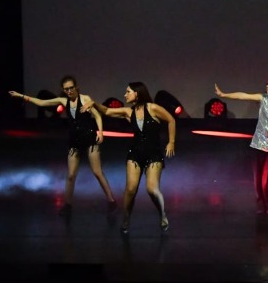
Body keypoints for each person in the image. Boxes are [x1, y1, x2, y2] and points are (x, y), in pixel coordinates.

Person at [9, 75, 117, 216]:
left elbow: (97, 116)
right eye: (66, 89)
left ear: (76, 87)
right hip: (74, 140)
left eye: (71, 88)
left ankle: (111, 200)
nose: (69, 91)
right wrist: (21, 96)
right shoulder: (63, 101)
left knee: (97, 172)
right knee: (71, 175)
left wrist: (101, 133)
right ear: (63, 90)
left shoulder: (85, 99)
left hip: (89, 138)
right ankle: (68, 205)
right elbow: (42, 103)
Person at [85, 82, 176, 235]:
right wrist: (94, 103)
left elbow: (171, 120)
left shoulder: (152, 108)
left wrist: (171, 142)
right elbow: (107, 111)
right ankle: (126, 218)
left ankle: (162, 214)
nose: (125, 95)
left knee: (152, 189)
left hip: (153, 154)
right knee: (131, 189)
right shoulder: (129, 112)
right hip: (135, 153)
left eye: (128, 92)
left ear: (137, 93)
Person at [214, 75, 268, 214]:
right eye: (266, 84)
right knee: (258, 179)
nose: (267, 86)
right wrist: (224, 95)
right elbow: (243, 96)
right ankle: (261, 205)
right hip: (259, 144)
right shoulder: (264, 98)